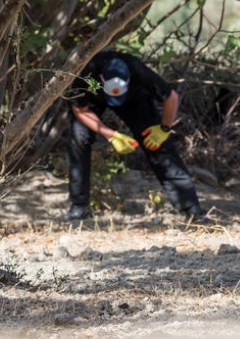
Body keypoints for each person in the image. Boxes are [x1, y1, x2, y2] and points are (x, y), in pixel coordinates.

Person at [63, 51, 206, 223]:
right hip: (93, 99)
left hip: (134, 100)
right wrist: (111, 135)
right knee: (78, 137)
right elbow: (80, 110)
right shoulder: (87, 73)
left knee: (158, 145)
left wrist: (163, 129)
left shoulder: (137, 69)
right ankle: (78, 207)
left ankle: (192, 209)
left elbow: (171, 98)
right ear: (101, 78)